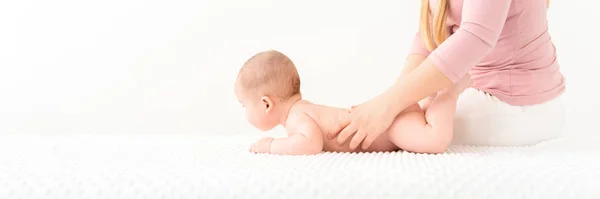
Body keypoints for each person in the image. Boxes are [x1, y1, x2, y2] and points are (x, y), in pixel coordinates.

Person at [329, 0, 566, 150]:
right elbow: (428, 37)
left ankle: (324, 131)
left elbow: (475, 37)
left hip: (520, 107)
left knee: (410, 129)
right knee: (403, 114)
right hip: (487, 94)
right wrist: (392, 101)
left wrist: (389, 105)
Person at [236, 50, 470, 155]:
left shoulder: (297, 117)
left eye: (244, 105)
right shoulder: (301, 111)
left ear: (266, 103)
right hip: (391, 122)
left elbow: (310, 144)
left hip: (389, 128)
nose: (244, 112)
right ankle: (431, 100)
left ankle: (450, 90)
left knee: (435, 140)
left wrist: (271, 146)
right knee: (425, 126)